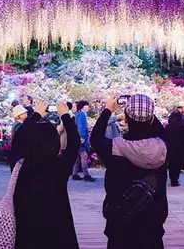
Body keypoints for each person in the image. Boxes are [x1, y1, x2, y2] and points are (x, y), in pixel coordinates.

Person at [91, 95, 168, 249]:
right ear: (152, 119)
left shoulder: (113, 148)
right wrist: (146, 111)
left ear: (125, 119)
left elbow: (95, 138)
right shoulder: (163, 147)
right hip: (152, 227)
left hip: (120, 226)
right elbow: (159, 130)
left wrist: (108, 110)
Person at [12, 100, 80, 249]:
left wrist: (35, 115)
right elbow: (75, 143)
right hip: (58, 234)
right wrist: (65, 117)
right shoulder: (60, 166)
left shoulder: (21, 166)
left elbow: (17, 140)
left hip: (27, 235)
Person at [72, 100, 95, 182]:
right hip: (81, 138)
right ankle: (86, 174)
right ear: (83, 106)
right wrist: (82, 137)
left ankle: (75, 173)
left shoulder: (78, 114)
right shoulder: (82, 114)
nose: (88, 107)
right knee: (84, 156)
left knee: (78, 157)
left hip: (77, 137)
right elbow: (81, 126)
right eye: (87, 106)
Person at [165, 110, 184, 186]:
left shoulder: (168, 127)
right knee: (177, 165)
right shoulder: (183, 127)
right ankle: (175, 179)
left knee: (171, 164)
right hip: (180, 148)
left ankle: (173, 179)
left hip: (170, 148)